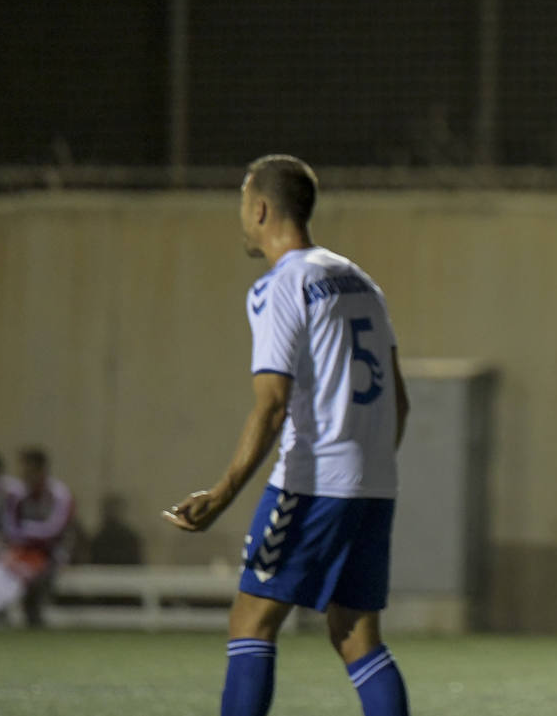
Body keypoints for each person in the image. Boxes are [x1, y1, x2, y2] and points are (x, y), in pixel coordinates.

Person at [164, 154, 411, 716]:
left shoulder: (281, 286)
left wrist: (221, 495)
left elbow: (272, 406)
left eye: (242, 209)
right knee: (356, 634)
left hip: (312, 482)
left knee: (251, 619)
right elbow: (400, 401)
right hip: (374, 485)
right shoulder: (361, 282)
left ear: (260, 209)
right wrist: (365, 471)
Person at [0, 448, 75, 626]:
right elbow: (11, 528)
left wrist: (26, 534)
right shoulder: (18, 494)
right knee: (1, 567)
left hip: (52, 553)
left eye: (30, 470)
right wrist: (27, 537)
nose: (26, 475)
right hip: (22, 550)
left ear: (41, 470)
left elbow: (54, 530)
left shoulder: (59, 494)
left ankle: (26, 615)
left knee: (27, 573)